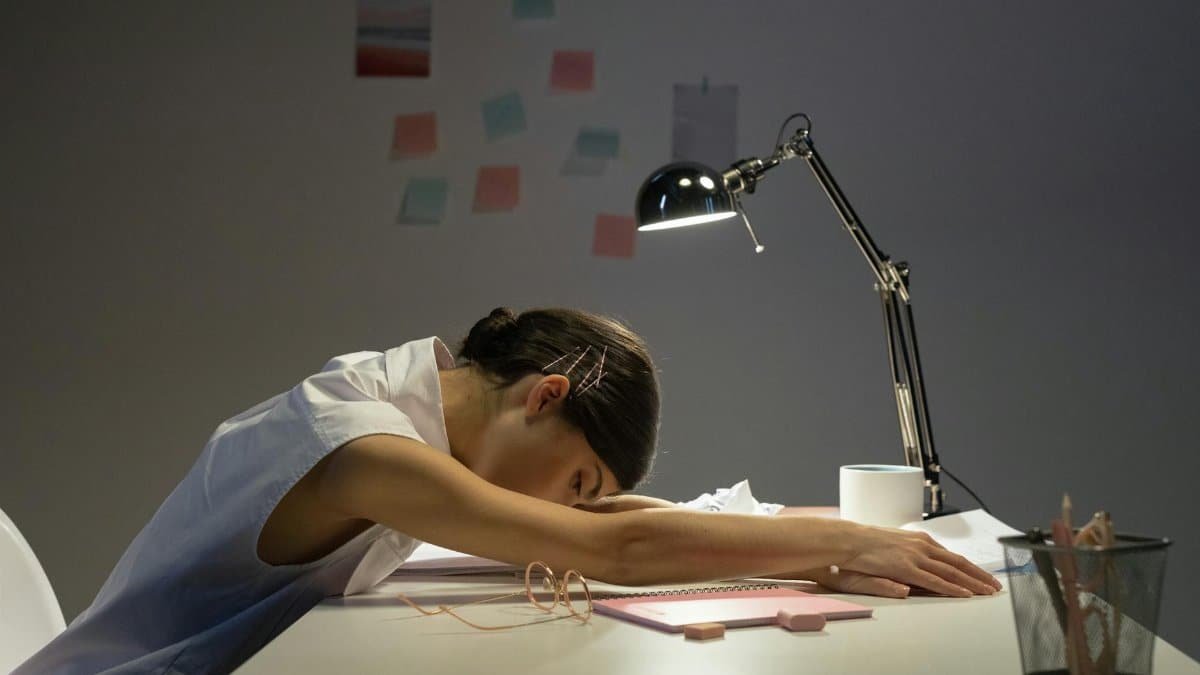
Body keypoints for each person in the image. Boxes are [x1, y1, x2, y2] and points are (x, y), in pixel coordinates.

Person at [15, 306, 1000, 673]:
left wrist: (811, 525)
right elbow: (607, 548)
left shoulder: (407, 400)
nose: (568, 508)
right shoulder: (364, 448)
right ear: (547, 394)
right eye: (577, 477)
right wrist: (852, 549)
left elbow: (604, 525)